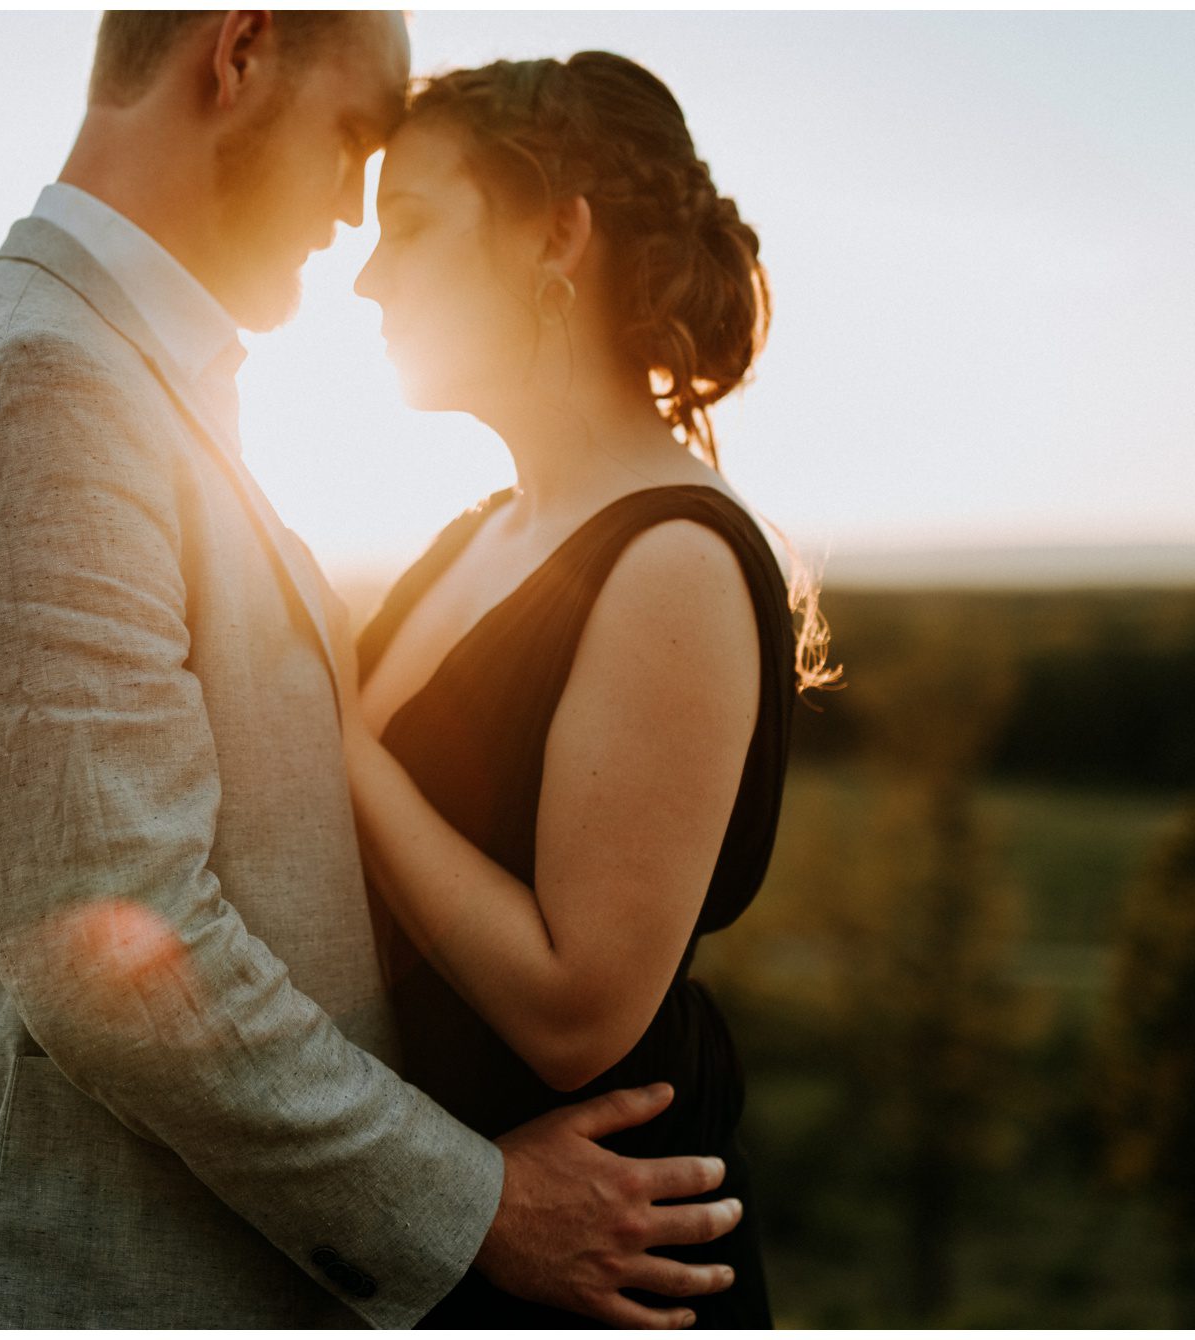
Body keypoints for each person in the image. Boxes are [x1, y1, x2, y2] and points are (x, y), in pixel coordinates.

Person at [0, 12, 742, 1331]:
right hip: (92, 1282)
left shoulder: (134, 383)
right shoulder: (41, 384)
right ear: (238, 51)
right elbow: (114, 950)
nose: (355, 208)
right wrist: (478, 1204)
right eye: (355, 134)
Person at [327, 52, 838, 1327]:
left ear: (556, 234)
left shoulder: (670, 557)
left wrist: (339, 749)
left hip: (603, 1268)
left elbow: (574, 1011)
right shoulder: (479, 531)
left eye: (411, 226)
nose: (368, 275)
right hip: (452, 1235)